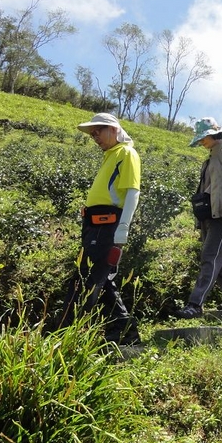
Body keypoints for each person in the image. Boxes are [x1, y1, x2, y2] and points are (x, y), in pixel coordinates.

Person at [57, 113, 142, 345]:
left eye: (98, 131)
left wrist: (123, 228)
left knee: (87, 278)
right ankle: (125, 332)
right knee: (103, 280)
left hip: (108, 225)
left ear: (114, 129)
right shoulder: (110, 155)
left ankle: (65, 332)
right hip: (94, 226)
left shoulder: (126, 153)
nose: (94, 137)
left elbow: (133, 192)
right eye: (92, 133)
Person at [172, 118, 222, 319]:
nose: (201, 142)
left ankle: (195, 304)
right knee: (217, 258)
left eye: (203, 138)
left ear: (213, 134)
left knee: (210, 257)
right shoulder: (210, 159)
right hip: (209, 214)